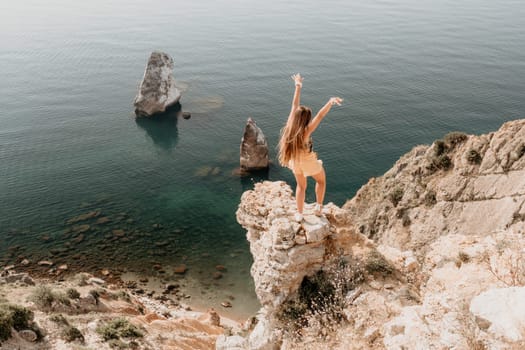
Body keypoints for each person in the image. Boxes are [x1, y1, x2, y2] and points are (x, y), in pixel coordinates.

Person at [278, 73, 343, 222]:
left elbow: (294, 105)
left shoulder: (289, 126)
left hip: (295, 163)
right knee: (321, 181)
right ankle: (318, 207)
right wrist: (330, 102)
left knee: (301, 186)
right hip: (308, 161)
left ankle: (299, 214)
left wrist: (298, 86)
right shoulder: (306, 132)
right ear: (306, 120)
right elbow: (320, 116)